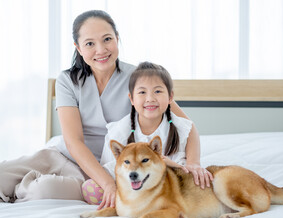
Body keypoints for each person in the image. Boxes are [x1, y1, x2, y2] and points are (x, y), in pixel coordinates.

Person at [0, 10, 189, 209]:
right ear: (78, 47)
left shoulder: (139, 79)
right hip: (61, 155)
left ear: (117, 39)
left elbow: (184, 123)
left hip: (103, 170)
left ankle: (8, 197)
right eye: (90, 43)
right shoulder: (67, 80)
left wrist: (192, 164)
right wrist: (107, 185)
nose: (101, 50)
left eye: (107, 39)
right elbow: (73, 141)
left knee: (42, 191)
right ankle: (0, 194)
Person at [81, 61, 213, 205]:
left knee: (200, 183)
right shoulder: (119, 131)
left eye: (157, 91)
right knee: (91, 188)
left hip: (170, 181)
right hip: (130, 181)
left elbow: (188, 164)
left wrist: (192, 163)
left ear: (170, 97)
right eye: (142, 92)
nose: (150, 98)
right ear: (131, 98)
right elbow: (110, 169)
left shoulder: (181, 127)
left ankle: (153, 201)